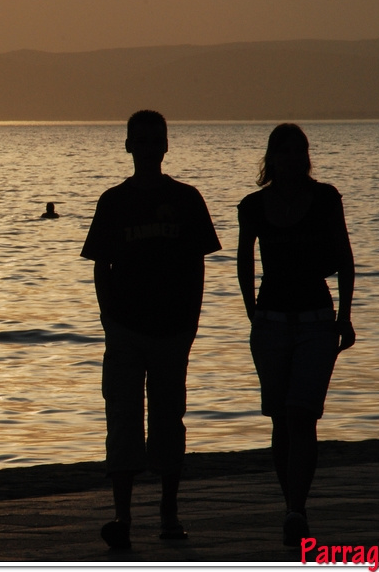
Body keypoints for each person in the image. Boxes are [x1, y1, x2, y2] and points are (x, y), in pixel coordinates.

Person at [81, 110, 221, 549]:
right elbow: (100, 265)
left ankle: (168, 511)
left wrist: (192, 322)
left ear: (164, 146)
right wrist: (108, 318)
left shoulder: (187, 199)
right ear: (128, 146)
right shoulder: (113, 201)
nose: (145, 148)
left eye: (153, 141)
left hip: (172, 329)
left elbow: (198, 264)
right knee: (122, 418)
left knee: (167, 419)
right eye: (137, 141)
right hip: (125, 328)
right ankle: (122, 514)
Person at [237, 124, 355, 547]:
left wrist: (345, 315)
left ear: (306, 156)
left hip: (316, 322)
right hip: (270, 321)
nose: (289, 158)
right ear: (270, 158)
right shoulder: (252, 205)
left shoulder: (325, 199)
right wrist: (253, 314)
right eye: (281, 152)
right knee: (280, 419)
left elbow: (343, 256)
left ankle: (297, 509)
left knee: (303, 415)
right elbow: (244, 261)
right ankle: (291, 504)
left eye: (296, 151)